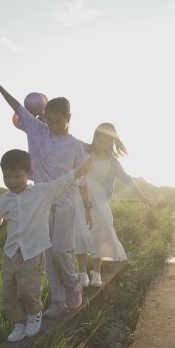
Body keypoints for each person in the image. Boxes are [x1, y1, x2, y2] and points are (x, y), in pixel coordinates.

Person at [0, 76, 93, 319]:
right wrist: (0, 87)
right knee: (46, 251)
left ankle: (73, 284)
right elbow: (17, 108)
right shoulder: (37, 131)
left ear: (69, 119)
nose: (53, 126)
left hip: (66, 203)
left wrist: (87, 206)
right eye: (49, 121)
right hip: (41, 202)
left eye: (59, 122)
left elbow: (82, 177)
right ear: (44, 117)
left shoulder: (75, 146)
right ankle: (57, 299)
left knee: (61, 251)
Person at [0, 149, 93, 342]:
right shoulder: (4, 199)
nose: (11, 181)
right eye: (7, 176)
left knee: (28, 289)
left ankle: (33, 314)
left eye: (16, 176)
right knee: (9, 291)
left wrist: (79, 172)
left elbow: (62, 183)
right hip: (12, 252)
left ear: (29, 174)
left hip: (34, 251)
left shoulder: (41, 192)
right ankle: (18, 322)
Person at [74, 123, 152, 287]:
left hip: (100, 201)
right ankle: (82, 274)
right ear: (95, 137)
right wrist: (45, 121)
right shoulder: (82, 150)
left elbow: (127, 179)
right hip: (79, 197)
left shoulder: (113, 162)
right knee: (80, 233)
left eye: (107, 141)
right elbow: (66, 137)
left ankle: (96, 273)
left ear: (112, 142)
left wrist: (142, 196)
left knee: (100, 233)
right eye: (99, 139)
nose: (102, 143)